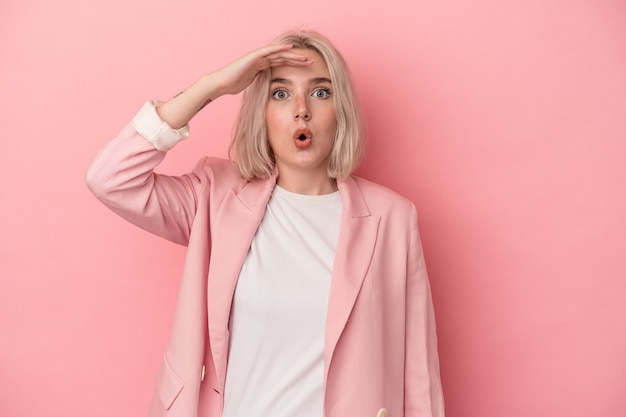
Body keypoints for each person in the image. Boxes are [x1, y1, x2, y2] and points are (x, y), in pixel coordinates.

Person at [86, 29, 444, 417]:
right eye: (281, 93)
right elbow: (109, 179)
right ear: (263, 112)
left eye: (321, 92)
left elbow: (418, 376)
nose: (301, 109)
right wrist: (213, 86)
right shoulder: (215, 196)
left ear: (341, 111)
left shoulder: (392, 218)